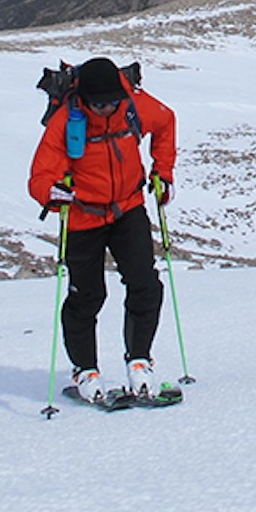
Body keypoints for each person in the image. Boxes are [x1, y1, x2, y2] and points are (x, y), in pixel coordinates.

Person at [27, 56, 177, 403]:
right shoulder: (67, 121)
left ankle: (139, 359)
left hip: (128, 209)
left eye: (113, 101)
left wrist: (163, 172)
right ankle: (85, 369)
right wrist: (51, 193)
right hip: (82, 218)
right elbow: (40, 174)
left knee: (145, 284)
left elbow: (166, 121)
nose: (108, 108)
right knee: (87, 296)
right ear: (85, 100)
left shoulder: (132, 108)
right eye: (100, 103)